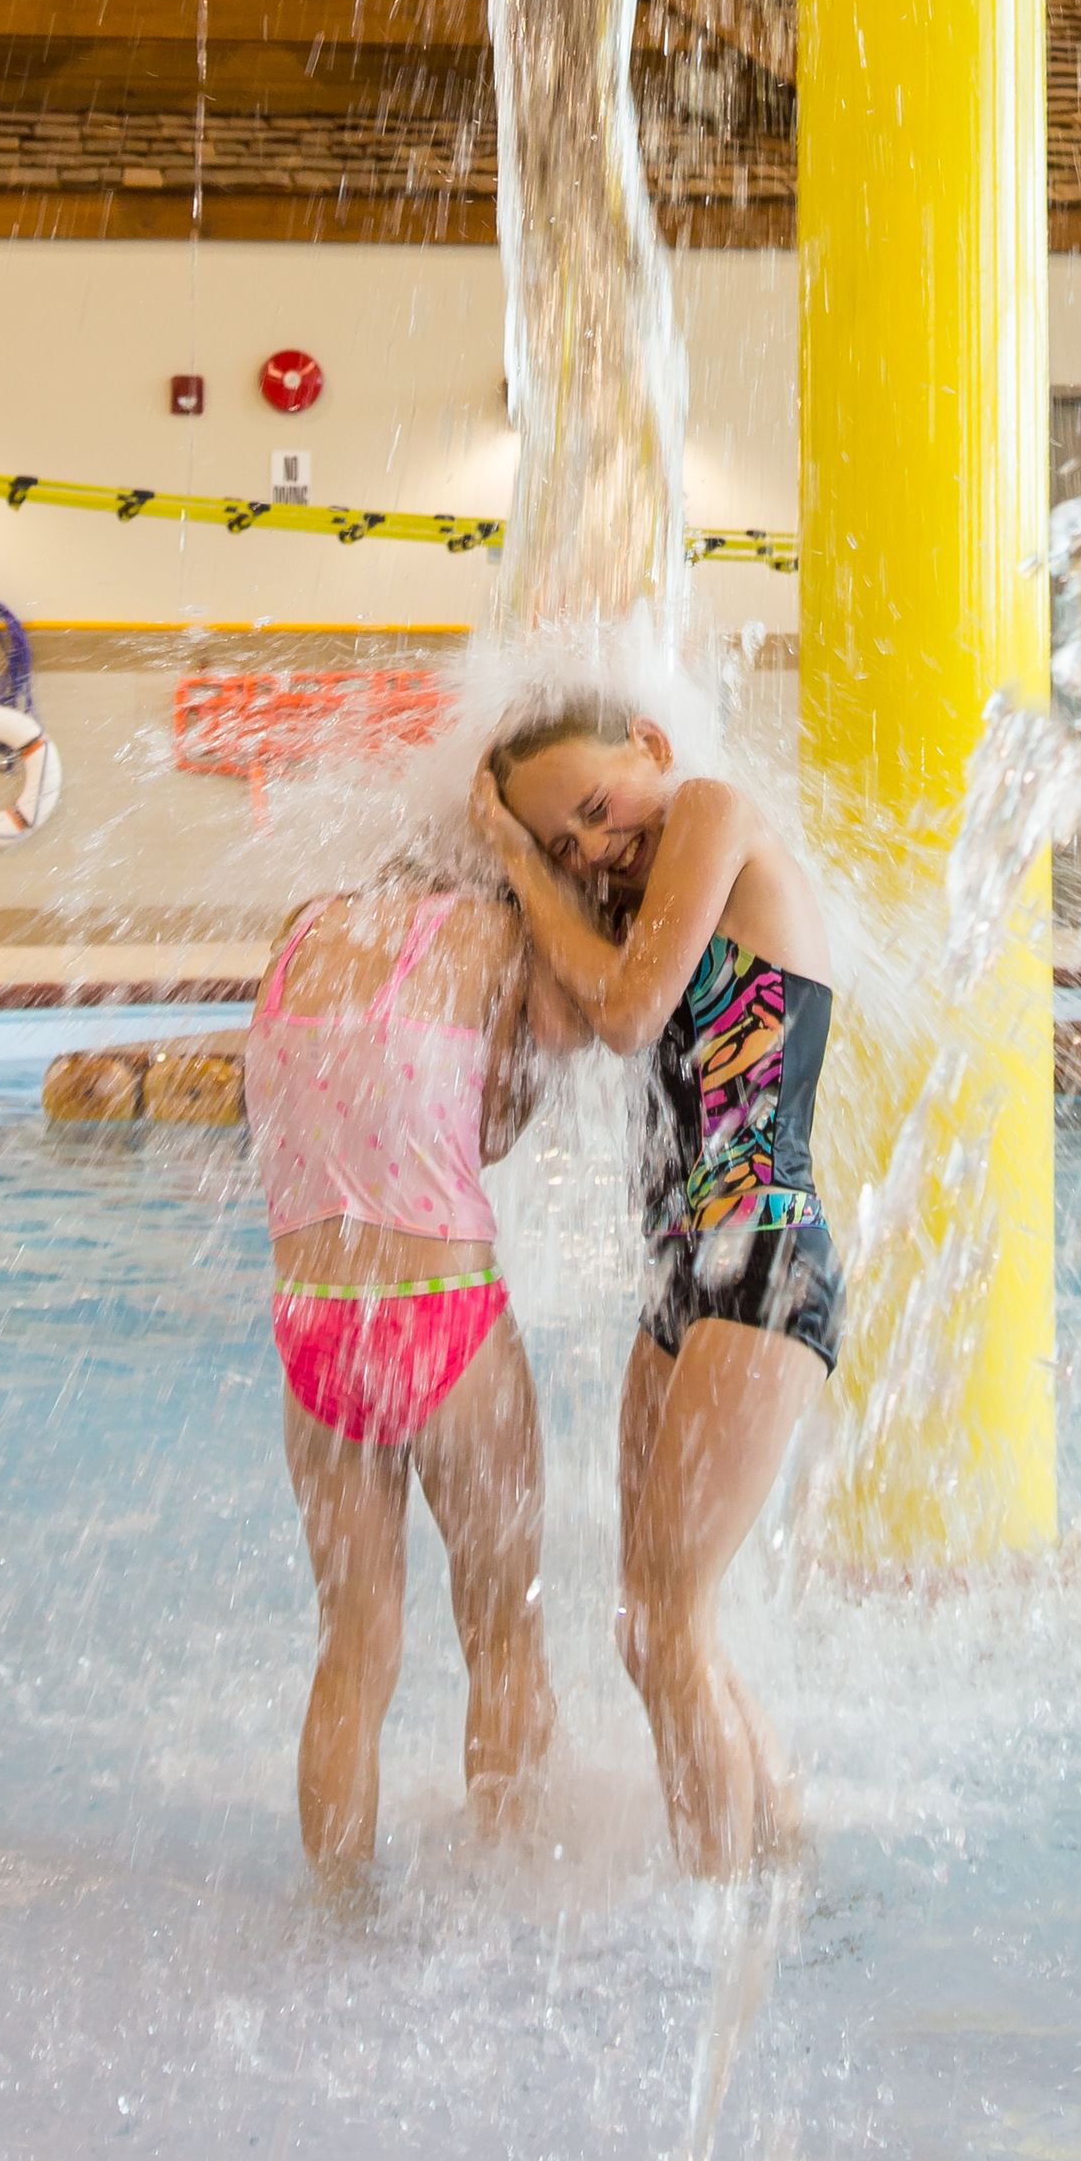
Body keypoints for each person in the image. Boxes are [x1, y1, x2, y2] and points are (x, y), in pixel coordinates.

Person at [470, 700, 839, 1880]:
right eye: (566, 842)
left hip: (764, 1253)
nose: (594, 848)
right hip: (682, 1275)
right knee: (649, 1629)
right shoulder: (635, 910)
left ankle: (713, 1921)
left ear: (651, 744)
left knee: (672, 1621)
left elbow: (625, 1014)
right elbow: (572, 1027)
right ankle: (778, 1863)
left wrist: (527, 867)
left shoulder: (713, 813)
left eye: (593, 808)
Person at [245, 848, 583, 1876]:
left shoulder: (303, 922)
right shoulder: (495, 934)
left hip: (314, 1325)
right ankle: (510, 1890)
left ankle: (336, 1917)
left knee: (353, 1647)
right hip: (444, 1314)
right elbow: (491, 1128)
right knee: (502, 1629)